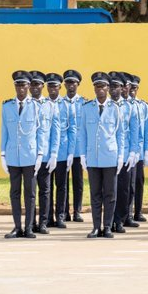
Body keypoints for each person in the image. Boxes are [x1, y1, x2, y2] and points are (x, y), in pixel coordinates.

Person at [77, 72, 125, 238]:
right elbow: (81, 133)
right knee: (95, 194)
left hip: (110, 156)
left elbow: (120, 134)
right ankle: (96, 227)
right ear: (94, 88)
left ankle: (108, 226)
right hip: (93, 157)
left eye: (103, 86)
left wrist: (120, 156)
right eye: (97, 86)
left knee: (110, 194)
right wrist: (82, 155)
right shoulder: (86, 108)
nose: (100, 89)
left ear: (108, 88)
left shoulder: (115, 108)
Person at [1, 70, 46, 238]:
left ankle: (28, 227)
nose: (21, 88)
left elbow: (41, 132)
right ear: (15, 86)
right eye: (18, 84)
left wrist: (40, 154)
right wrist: (2, 154)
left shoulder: (36, 106)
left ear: (28, 86)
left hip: (30, 156)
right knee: (14, 193)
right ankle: (17, 227)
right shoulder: (7, 106)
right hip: (13, 155)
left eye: (24, 85)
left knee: (30, 192)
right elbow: (4, 131)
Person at [29, 70, 60, 234]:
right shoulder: (25, 105)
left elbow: (56, 132)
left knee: (45, 190)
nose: (35, 87)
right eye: (32, 84)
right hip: (28, 156)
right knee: (30, 191)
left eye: (38, 84)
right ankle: (30, 223)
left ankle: (43, 222)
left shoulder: (50, 106)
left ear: (43, 86)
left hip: (46, 155)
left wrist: (54, 153)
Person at [109, 72, 140, 233]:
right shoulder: (104, 106)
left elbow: (135, 131)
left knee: (123, 189)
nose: (114, 90)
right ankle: (108, 220)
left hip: (126, 154)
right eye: (111, 86)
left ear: (122, 88)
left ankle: (119, 220)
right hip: (108, 154)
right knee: (108, 190)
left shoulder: (129, 107)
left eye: (117, 86)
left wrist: (135, 152)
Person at [45, 73, 76, 229]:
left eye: (55, 86)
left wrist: (71, 152)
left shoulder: (66, 105)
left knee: (61, 185)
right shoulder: (42, 104)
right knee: (46, 186)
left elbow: (72, 130)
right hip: (45, 153)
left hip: (62, 152)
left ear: (59, 87)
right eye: (49, 86)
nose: (52, 89)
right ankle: (48, 217)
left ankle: (60, 216)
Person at [63, 69, 86, 222]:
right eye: (68, 82)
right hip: (63, 148)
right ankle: (64, 211)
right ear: (64, 84)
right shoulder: (59, 102)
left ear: (78, 84)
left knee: (78, 181)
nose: (71, 85)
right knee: (63, 182)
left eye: (74, 82)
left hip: (78, 149)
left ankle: (77, 210)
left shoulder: (84, 103)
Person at [130, 75, 148, 222]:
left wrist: (147, 151)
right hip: (126, 152)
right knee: (127, 184)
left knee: (138, 182)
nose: (132, 91)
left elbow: (147, 130)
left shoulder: (143, 106)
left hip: (139, 151)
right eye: (130, 87)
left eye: (135, 88)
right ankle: (128, 213)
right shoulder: (121, 105)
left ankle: (138, 211)